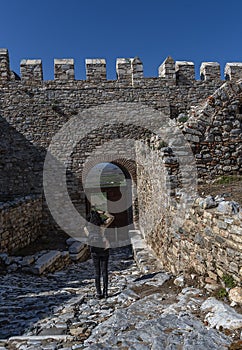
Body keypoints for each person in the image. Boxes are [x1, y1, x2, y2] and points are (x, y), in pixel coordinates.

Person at [85, 207, 114, 299]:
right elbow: (112, 217)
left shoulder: (87, 229)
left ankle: (98, 293)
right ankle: (105, 293)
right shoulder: (102, 226)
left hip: (94, 251)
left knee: (96, 272)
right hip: (104, 249)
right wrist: (103, 212)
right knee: (104, 271)